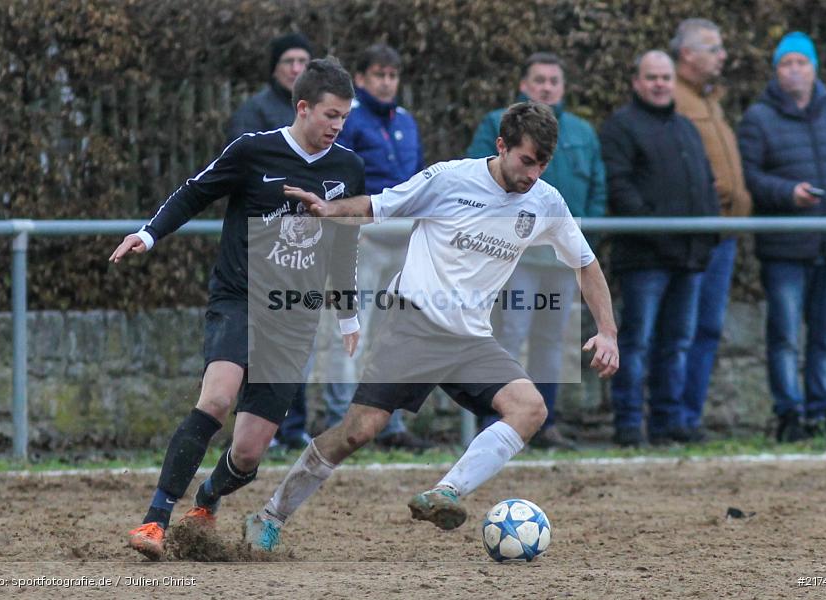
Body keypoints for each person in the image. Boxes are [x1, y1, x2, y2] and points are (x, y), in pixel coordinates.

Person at [241, 101, 619, 552]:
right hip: (414, 324)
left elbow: (586, 264)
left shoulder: (545, 201)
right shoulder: (450, 179)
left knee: (530, 409)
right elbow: (380, 205)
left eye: (543, 163)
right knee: (359, 431)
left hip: (472, 339)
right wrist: (331, 210)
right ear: (501, 146)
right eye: (526, 160)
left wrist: (607, 331)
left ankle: (447, 492)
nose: (534, 173)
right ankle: (270, 515)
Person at [110, 58, 365, 560]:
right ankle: (155, 520)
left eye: (344, 118)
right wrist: (148, 234)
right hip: (240, 298)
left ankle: (206, 500)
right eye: (330, 115)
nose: (337, 127)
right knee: (217, 399)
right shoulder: (253, 151)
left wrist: (348, 312)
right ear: (303, 108)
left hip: (294, 314)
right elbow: (193, 191)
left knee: (248, 453)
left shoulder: (346, 168)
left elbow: (343, 245)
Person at [466, 52, 606, 450]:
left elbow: (598, 188)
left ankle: (544, 423)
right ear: (525, 85)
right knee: (511, 335)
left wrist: (583, 237)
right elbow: (474, 176)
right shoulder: (497, 123)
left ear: (563, 87)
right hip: (515, 258)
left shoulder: (581, 132)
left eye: (554, 81)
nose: (546, 87)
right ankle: (500, 420)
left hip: (560, 260)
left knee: (553, 341)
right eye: (539, 80)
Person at [738, 32, 826, 442]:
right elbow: (750, 177)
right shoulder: (758, 118)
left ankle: (821, 411)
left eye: (801, 63)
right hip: (785, 247)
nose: (794, 70)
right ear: (776, 72)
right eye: (785, 64)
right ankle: (789, 414)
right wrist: (787, 193)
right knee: (785, 336)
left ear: (814, 68)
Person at [600, 51, 719, 447]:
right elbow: (620, 189)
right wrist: (660, 232)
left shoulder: (685, 127)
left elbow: (704, 182)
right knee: (637, 342)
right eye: (651, 76)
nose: (659, 83)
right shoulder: (621, 126)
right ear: (636, 81)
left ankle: (669, 423)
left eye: (665, 77)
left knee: (678, 344)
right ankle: (630, 424)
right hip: (644, 259)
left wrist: (707, 235)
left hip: (688, 258)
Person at [321, 43, 431, 450]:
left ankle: (391, 422)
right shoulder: (349, 121)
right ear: (362, 78)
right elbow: (339, 172)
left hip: (403, 238)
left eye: (393, 74)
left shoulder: (406, 121)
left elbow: (418, 175)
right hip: (362, 237)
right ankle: (340, 420)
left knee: (397, 331)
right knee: (350, 328)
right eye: (379, 74)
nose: (387, 82)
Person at [226, 32, 314, 449]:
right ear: (275, 66)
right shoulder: (254, 112)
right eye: (289, 61)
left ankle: (293, 426)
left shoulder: (319, 114)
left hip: (305, 245)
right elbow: (243, 170)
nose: (296, 68)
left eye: (303, 61)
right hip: (261, 243)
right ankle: (260, 428)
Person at [671, 19, 752, 440]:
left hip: (724, 234)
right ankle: (673, 417)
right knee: (682, 330)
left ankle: (689, 417)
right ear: (688, 54)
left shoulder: (711, 101)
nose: (722, 56)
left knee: (706, 329)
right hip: (698, 235)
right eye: (713, 48)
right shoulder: (677, 101)